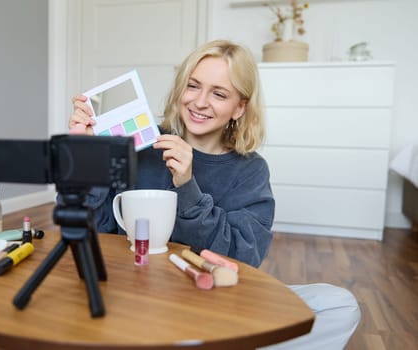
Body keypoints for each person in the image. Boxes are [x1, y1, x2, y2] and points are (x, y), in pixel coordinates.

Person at [68, 39, 360, 349]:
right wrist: (87, 155)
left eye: (219, 94)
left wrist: (187, 185)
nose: (200, 102)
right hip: (136, 293)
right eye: (193, 86)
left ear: (240, 107)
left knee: (339, 305)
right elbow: (92, 232)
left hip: (213, 298)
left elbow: (244, 258)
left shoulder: (250, 170)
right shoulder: (137, 144)